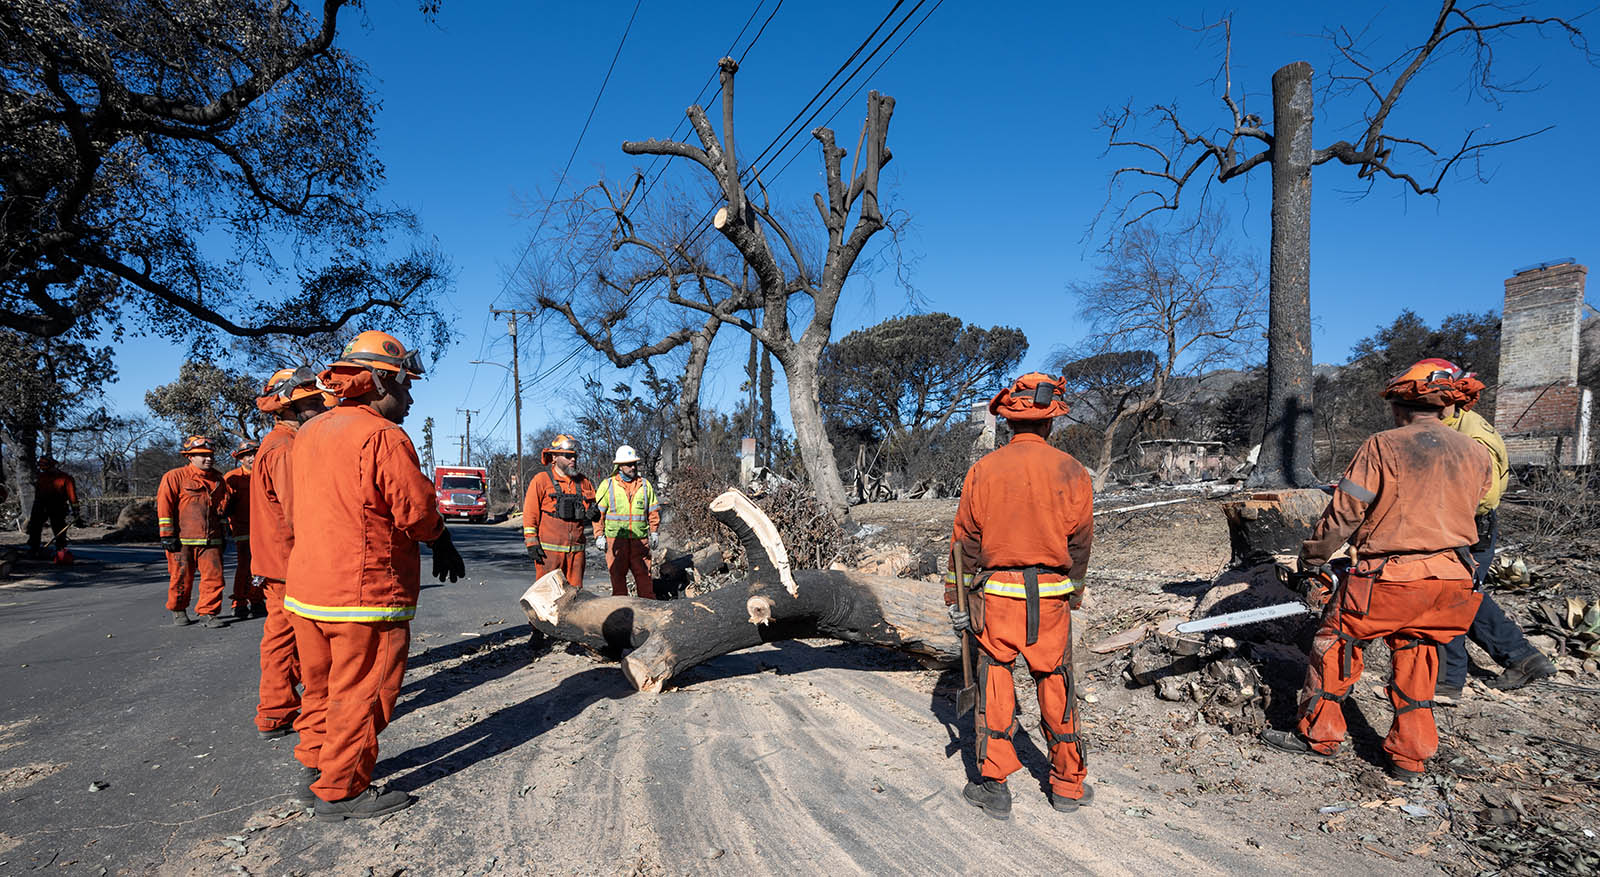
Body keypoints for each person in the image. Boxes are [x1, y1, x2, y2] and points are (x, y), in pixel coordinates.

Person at [1261, 360, 1491, 780]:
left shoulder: (1384, 445)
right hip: (1454, 577)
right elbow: (1476, 505)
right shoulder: (1476, 451)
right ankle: (1410, 757)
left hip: (1391, 576)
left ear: (1399, 404)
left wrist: (1312, 558)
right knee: (1418, 654)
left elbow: (1346, 510)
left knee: (1336, 643)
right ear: (1445, 406)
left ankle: (1320, 735)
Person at [285, 331, 463, 820]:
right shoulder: (383, 436)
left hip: (307, 592)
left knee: (321, 689)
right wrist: (442, 540)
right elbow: (417, 511)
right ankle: (340, 790)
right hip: (364, 596)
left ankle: (317, 766)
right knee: (363, 692)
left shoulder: (311, 431)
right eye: (406, 387)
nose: (409, 398)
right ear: (382, 381)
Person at [947, 373, 1095, 820]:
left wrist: (956, 600)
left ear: (1008, 421)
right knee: (1056, 682)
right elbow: (1081, 543)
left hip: (997, 599)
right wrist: (1075, 594)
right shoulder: (1072, 470)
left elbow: (963, 545)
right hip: (1050, 598)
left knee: (994, 681)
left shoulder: (983, 470)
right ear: (1051, 421)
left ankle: (994, 787)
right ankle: (1068, 785)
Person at [1434, 365, 1556, 699]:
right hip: (1458, 524)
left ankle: (1447, 682)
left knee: (1448, 596)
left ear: (1447, 398)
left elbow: (1483, 495)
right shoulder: (1450, 425)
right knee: (1465, 594)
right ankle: (1524, 658)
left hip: (1468, 527)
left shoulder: (1472, 436)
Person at [249, 367, 332, 745]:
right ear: (289, 409)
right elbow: (299, 514)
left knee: (291, 638)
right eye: (311, 402)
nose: (320, 406)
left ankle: (281, 707)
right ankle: (275, 712)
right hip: (286, 564)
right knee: (283, 638)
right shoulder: (285, 448)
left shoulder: (286, 442)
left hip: (284, 561)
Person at [157, 436, 230, 628]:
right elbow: (164, 507)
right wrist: (167, 535)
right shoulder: (174, 477)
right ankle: (179, 610)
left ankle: (210, 613)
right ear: (190, 457)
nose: (208, 459)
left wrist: (222, 534)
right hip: (182, 541)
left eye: (210, 455)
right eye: (202, 455)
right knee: (181, 578)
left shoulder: (218, 480)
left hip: (211, 540)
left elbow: (222, 509)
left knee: (214, 578)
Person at [523, 434, 599, 591]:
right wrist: (531, 542)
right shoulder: (541, 480)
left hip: (576, 554)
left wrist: (594, 515)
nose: (573, 460)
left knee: (575, 596)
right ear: (554, 457)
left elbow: (594, 509)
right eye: (568, 456)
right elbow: (530, 514)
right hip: (549, 554)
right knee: (547, 594)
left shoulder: (584, 482)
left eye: (575, 456)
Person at [595, 444, 661, 599]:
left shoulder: (645, 485)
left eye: (634, 464)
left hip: (640, 541)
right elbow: (598, 514)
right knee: (618, 584)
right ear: (620, 466)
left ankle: (647, 615)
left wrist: (654, 532)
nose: (633, 467)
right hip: (616, 543)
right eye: (629, 464)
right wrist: (599, 535)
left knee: (645, 581)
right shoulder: (608, 485)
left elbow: (653, 511)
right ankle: (621, 619)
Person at [223, 439, 263, 620]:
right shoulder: (232, 478)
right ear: (240, 459)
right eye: (247, 455)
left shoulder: (266, 473)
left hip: (265, 531)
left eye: (255, 453)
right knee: (245, 567)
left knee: (261, 568)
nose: (252, 458)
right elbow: (223, 506)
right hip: (243, 530)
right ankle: (239, 602)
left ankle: (256, 599)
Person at [26, 455, 83, 556]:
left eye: (44, 466)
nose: (42, 468)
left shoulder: (66, 478)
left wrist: (76, 511)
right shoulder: (41, 477)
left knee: (58, 527)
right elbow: (37, 493)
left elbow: (72, 496)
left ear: (51, 465)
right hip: (40, 505)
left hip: (57, 506)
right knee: (35, 527)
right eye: (41, 466)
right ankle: (34, 548)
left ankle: (60, 549)